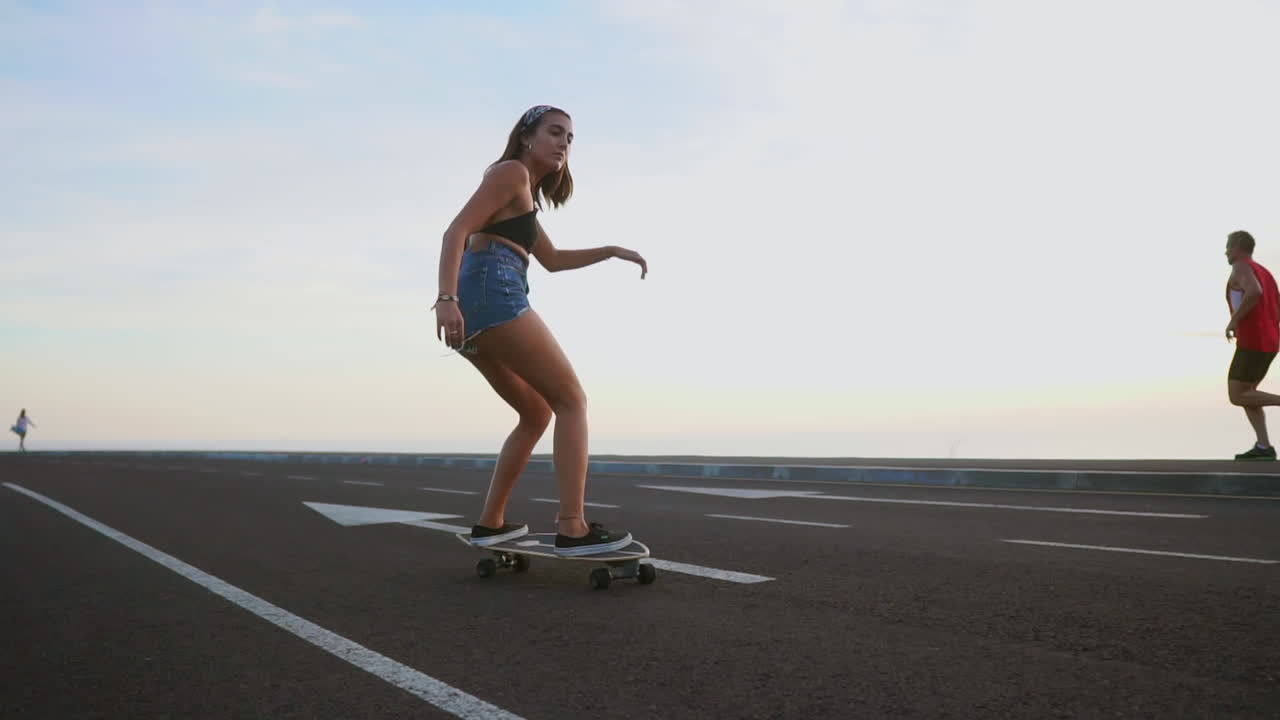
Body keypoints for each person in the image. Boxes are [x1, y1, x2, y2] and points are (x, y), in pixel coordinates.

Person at [433, 105, 648, 555]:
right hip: (493, 291)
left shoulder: (524, 194)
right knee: (571, 400)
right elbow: (456, 230)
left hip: (480, 301)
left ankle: (491, 523)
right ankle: (573, 526)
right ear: (527, 136)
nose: (564, 144)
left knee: (535, 414)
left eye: (570, 138)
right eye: (555, 132)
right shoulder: (509, 173)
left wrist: (609, 250)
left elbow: (551, 260)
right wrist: (445, 298)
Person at [1224, 230, 1280, 460]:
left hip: (1254, 340)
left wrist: (1234, 320)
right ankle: (1264, 447)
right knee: (1249, 394)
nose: (1225, 251)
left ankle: (1264, 445)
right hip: (1268, 340)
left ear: (1237, 247)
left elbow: (1254, 292)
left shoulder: (1241, 267)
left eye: (1228, 246)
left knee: (1237, 395)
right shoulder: (1265, 272)